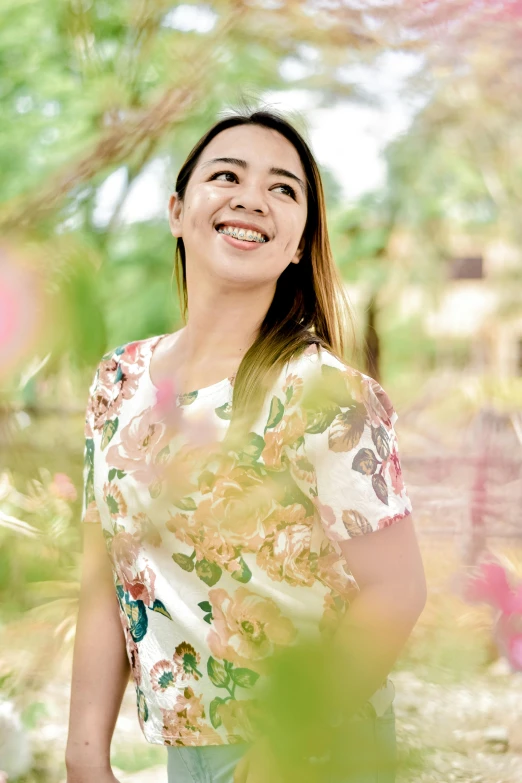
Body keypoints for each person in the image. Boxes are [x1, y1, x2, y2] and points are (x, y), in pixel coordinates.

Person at [66, 108, 426, 783]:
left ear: (297, 244)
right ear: (177, 210)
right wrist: (84, 752)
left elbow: (397, 589)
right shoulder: (118, 381)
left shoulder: (324, 393)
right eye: (226, 175)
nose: (252, 197)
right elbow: (103, 569)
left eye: (284, 188)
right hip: (186, 750)